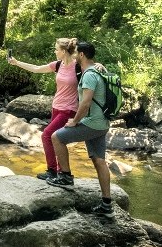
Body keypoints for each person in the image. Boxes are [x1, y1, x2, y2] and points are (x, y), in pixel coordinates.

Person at [47, 40, 114, 216]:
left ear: (82, 55)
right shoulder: (97, 70)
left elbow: (85, 103)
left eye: (76, 53)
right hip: (103, 124)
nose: (74, 55)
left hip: (92, 123)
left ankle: (66, 177)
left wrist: (75, 121)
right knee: (99, 160)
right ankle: (107, 205)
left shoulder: (90, 75)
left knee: (56, 137)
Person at [6, 37, 81, 181]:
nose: (54, 51)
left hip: (69, 109)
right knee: (57, 139)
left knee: (46, 135)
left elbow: (92, 66)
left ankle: (53, 171)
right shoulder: (58, 65)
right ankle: (59, 172)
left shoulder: (78, 66)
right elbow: (36, 69)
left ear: (64, 51)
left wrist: (99, 66)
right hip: (56, 107)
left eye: (56, 49)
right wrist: (16, 62)